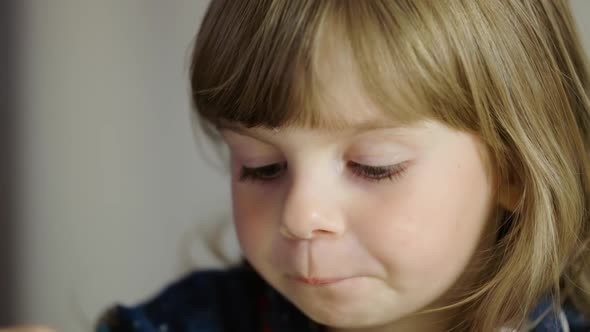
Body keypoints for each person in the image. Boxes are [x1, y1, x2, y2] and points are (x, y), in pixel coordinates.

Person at [94, 0, 590, 331]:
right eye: (262, 166)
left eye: (374, 167)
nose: (300, 216)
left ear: (517, 171)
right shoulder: (206, 318)